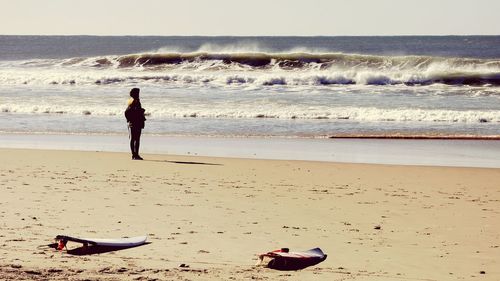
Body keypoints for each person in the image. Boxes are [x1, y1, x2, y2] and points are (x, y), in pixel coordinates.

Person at [125, 88, 146, 160]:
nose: (139, 94)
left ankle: (134, 155)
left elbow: (128, 112)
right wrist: (141, 110)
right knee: (136, 139)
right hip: (136, 122)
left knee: (133, 138)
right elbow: (135, 111)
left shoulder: (130, 101)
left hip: (132, 122)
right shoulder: (135, 101)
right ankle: (135, 155)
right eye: (138, 93)